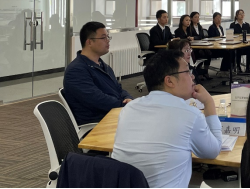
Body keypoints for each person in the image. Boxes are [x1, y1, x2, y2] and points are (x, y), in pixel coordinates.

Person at [112, 49, 222, 188]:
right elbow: (213, 151)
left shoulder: (129, 108)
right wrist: (209, 102)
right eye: (187, 71)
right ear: (169, 81)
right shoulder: (189, 114)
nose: (193, 76)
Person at [63, 22, 133, 126]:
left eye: (108, 37)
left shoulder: (103, 66)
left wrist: (128, 98)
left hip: (114, 115)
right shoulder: (76, 71)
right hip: (98, 123)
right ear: (89, 42)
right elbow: (97, 100)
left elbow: (118, 89)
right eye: (103, 37)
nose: (108, 40)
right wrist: (125, 105)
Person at [187, 12, 212, 79]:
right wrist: (196, 37)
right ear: (191, 18)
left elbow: (201, 36)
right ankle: (199, 71)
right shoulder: (189, 27)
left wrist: (195, 37)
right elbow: (190, 37)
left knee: (209, 52)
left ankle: (206, 71)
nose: (197, 18)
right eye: (195, 17)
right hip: (194, 47)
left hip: (201, 44)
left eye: (198, 17)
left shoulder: (200, 27)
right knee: (201, 53)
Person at [230, 9, 250, 74]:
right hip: (236, 44)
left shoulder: (247, 25)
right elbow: (230, 35)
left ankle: (248, 67)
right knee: (238, 49)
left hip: (245, 44)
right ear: (237, 16)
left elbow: (249, 35)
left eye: (243, 13)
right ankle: (238, 66)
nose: (242, 15)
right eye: (240, 14)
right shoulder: (233, 25)